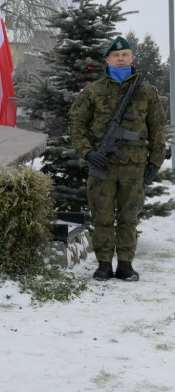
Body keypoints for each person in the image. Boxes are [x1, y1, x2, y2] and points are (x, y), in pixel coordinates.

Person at [70, 35, 166, 282]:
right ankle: (103, 264)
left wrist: (155, 162)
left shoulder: (146, 91)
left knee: (128, 217)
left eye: (125, 55)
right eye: (116, 55)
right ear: (108, 59)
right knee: (102, 216)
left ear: (132, 58)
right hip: (103, 165)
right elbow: (77, 125)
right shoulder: (93, 91)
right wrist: (88, 152)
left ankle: (125, 264)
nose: (121, 59)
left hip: (134, 167)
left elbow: (157, 129)